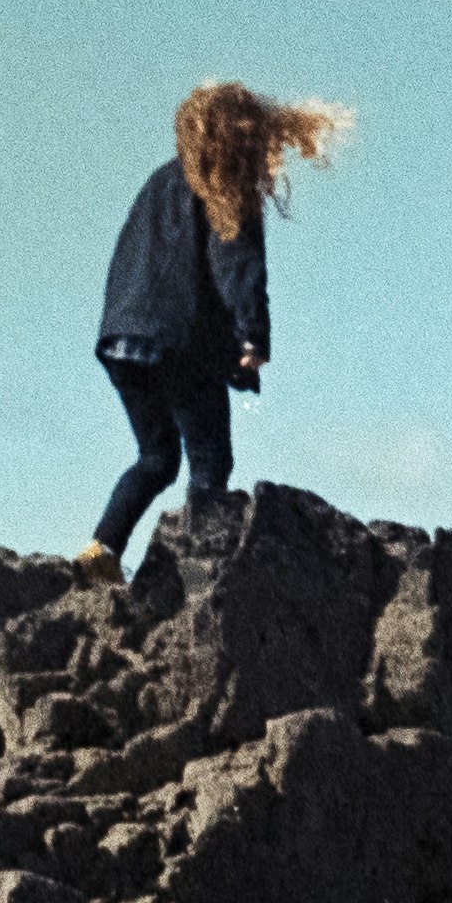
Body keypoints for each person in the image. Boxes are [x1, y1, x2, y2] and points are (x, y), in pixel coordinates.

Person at [83, 81, 347, 568]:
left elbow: (131, 257)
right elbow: (238, 266)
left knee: (156, 459)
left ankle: (101, 549)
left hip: (123, 340)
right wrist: (252, 338)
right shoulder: (226, 188)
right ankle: (195, 569)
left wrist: (125, 324)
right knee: (211, 461)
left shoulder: (159, 182)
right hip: (179, 344)